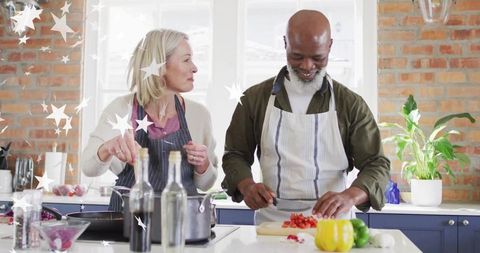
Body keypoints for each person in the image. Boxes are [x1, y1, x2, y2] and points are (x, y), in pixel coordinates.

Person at [221, 10, 390, 224]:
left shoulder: (350, 104)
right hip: (272, 224)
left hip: (333, 226)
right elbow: (234, 153)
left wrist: (350, 196)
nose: (307, 66)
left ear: (330, 46)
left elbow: (376, 163)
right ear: (285, 43)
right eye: (297, 56)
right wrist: (247, 186)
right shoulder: (254, 100)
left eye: (318, 58)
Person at [81, 29, 218, 211]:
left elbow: (206, 184)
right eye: (186, 60)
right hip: (128, 222)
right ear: (160, 66)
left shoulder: (199, 115)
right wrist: (108, 148)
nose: (194, 67)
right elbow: (89, 168)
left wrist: (203, 165)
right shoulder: (121, 109)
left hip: (181, 224)